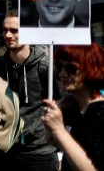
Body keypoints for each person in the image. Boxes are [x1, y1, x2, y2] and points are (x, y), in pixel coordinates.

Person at [0, 9, 60, 170]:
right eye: (5, 30)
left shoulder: (45, 66)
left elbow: (62, 102)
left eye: (14, 31)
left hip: (39, 152)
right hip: (5, 149)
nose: (8, 35)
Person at [41, 43, 104, 171]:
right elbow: (50, 141)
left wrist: (59, 130)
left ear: (91, 70)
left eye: (71, 69)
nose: (62, 74)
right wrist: (54, 115)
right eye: (59, 67)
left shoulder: (99, 111)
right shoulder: (73, 106)